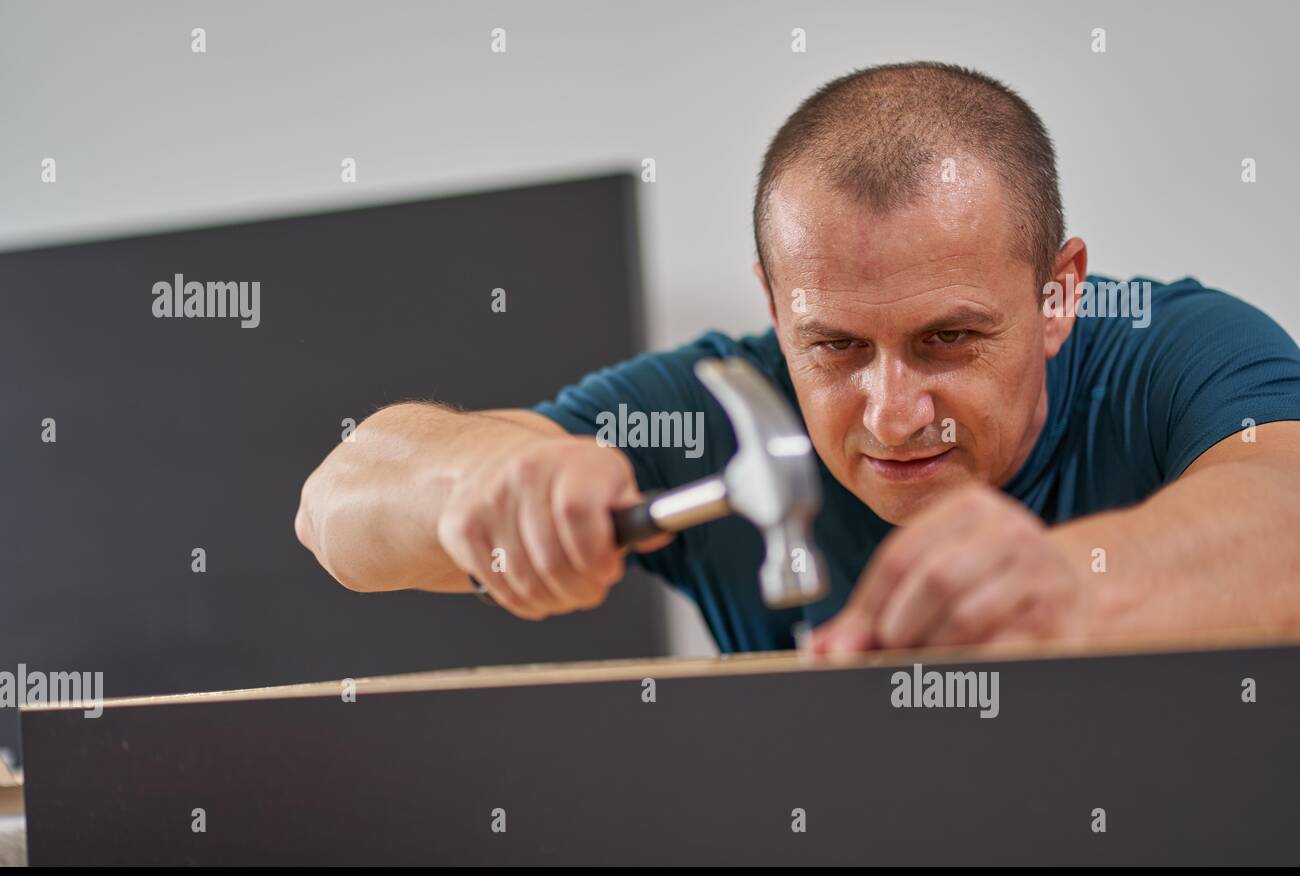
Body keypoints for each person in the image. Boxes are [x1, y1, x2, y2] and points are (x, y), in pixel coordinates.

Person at [294, 62, 1300, 655]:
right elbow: (336, 507)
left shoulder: (1172, 349)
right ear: (775, 309)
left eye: (949, 337)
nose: (894, 412)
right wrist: (483, 478)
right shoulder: (720, 410)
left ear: (1058, 293)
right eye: (834, 347)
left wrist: (1073, 584)